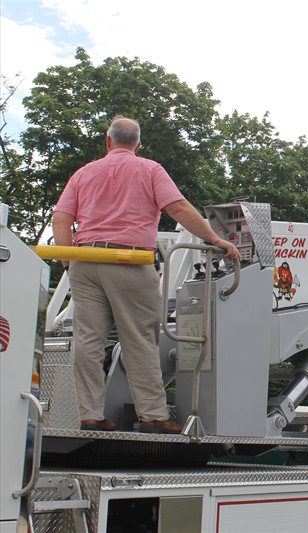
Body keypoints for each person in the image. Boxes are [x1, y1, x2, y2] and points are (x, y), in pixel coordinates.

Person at [52, 116, 241, 434]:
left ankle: (90, 415)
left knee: (88, 341)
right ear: (138, 145)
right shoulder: (150, 169)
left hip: (85, 260)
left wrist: (68, 260)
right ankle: (153, 415)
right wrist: (215, 240)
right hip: (129, 259)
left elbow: (61, 218)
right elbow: (178, 209)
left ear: (108, 141)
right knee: (139, 339)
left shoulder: (84, 173)